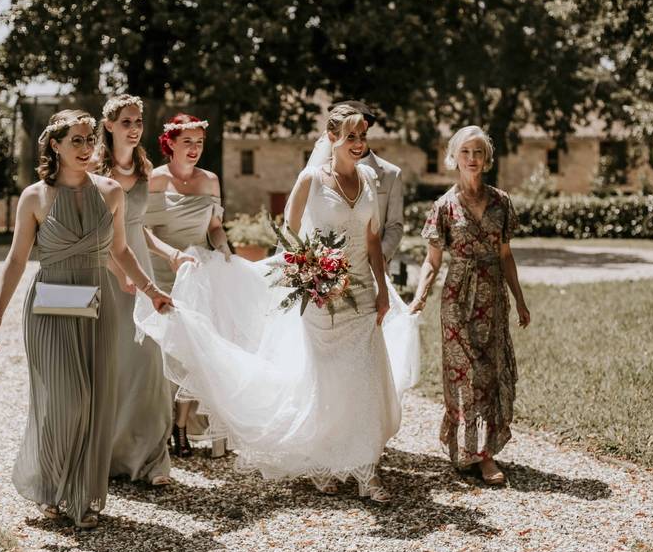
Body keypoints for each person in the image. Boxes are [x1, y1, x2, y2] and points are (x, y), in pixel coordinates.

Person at [136, 104, 421, 503]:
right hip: (322, 295)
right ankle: (324, 459)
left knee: (366, 377)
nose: (359, 145)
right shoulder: (310, 179)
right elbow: (289, 236)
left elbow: (373, 239)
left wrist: (383, 289)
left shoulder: (371, 179)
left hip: (361, 290)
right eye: (351, 137)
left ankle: (367, 470)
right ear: (333, 137)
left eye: (363, 137)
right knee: (328, 378)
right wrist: (311, 273)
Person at [0, 109, 172, 529]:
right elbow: (16, 260)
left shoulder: (111, 192)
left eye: (90, 141)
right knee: (66, 400)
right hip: (49, 310)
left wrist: (152, 290)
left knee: (96, 401)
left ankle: (82, 498)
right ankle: (51, 484)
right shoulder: (35, 197)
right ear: (55, 145)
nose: (87, 149)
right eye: (77, 142)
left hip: (98, 307)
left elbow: (121, 252)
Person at [409, 125, 530, 484]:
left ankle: (484, 452)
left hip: (492, 297)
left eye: (478, 152)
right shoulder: (443, 206)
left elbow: (506, 255)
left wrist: (520, 300)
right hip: (457, 298)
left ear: (487, 158)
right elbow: (432, 261)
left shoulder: (501, 202)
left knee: (489, 373)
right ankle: (471, 451)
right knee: (464, 375)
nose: (472, 159)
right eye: (466, 152)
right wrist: (420, 295)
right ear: (454, 157)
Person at [96, 94, 192, 485]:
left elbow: (138, 226)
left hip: (142, 268)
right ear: (109, 126)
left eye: (138, 122)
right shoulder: (91, 171)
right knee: (112, 364)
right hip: (107, 272)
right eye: (126, 122)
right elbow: (97, 233)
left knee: (149, 363)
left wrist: (170, 252)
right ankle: (107, 456)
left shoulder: (143, 168)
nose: (134, 129)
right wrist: (118, 273)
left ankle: (151, 460)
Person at [144, 113, 231, 458]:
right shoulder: (154, 180)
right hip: (160, 269)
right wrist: (169, 255)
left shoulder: (210, 180)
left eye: (199, 142)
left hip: (197, 273)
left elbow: (214, 226)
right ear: (170, 144)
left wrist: (223, 246)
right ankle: (157, 426)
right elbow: (143, 229)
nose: (195, 149)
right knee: (160, 352)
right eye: (187, 142)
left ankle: (181, 426)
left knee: (194, 349)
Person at [328, 100, 405, 262]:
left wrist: (379, 258)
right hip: (329, 271)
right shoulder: (320, 174)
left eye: (360, 133)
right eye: (349, 134)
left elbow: (394, 226)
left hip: (374, 269)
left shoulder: (391, 175)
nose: (356, 141)